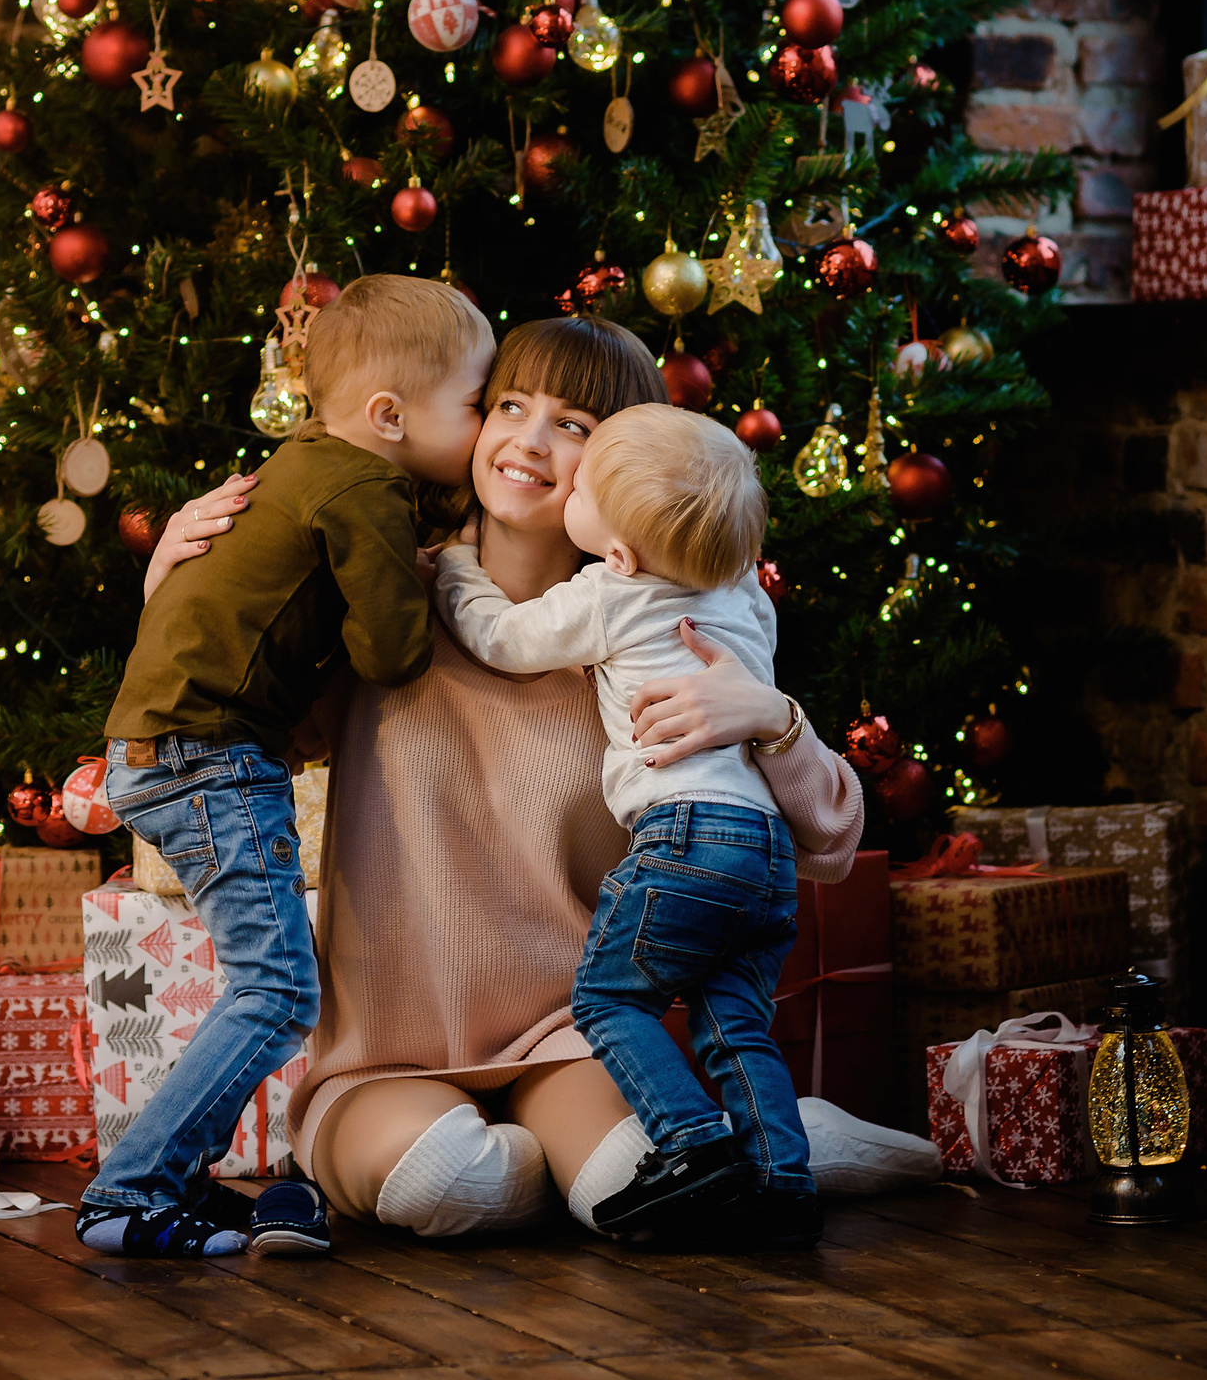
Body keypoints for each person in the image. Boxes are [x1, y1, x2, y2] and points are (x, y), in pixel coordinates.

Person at [139, 315, 925, 1253]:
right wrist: (170, 592)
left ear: (630, 461)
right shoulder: (381, 601)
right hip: (386, 1057)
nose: (529, 440)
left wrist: (771, 716)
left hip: (570, 1035)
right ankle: (770, 1137)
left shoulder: (655, 637)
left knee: (631, 1186)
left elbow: (832, 845)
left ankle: (770, 1149)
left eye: (576, 424)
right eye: (509, 404)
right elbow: (224, 736)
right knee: (453, 1178)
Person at [80, 274, 493, 1260]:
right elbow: (392, 652)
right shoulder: (365, 485)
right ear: (388, 414)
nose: (480, 426)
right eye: (475, 402)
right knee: (275, 988)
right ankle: (130, 1190)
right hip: (208, 755)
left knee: (266, 982)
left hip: (158, 746)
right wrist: (442, 565)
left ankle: (170, 1174)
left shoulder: (304, 462)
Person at [435, 405, 813, 1244]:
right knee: (734, 1020)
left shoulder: (611, 591)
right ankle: (782, 1179)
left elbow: (498, 636)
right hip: (767, 848)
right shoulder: (746, 596)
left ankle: (691, 1142)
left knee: (608, 997)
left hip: (684, 832)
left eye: (584, 484)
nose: (566, 478)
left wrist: (458, 564)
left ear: (618, 552)